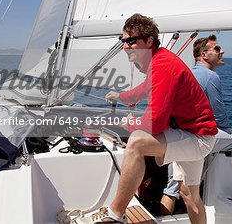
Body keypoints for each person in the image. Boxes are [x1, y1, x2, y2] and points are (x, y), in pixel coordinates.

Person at [77, 14, 217, 224]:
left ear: (149, 40)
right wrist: (120, 96)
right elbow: (144, 89)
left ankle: (116, 214)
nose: (125, 46)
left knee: (136, 143)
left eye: (131, 40)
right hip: (194, 134)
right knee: (189, 194)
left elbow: (154, 123)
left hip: (196, 138)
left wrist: (128, 123)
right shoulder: (159, 61)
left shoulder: (163, 66)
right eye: (123, 41)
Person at [160, 35, 232, 215]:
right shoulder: (211, 77)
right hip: (195, 137)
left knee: (171, 190)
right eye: (217, 49)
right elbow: (218, 116)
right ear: (204, 54)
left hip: (176, 135)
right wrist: (228, 131)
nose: (222, 52)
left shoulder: (189, 72)